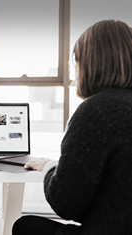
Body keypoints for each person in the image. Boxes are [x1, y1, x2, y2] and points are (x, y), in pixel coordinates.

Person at [12, 20, 132, 235]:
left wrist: (50, 167)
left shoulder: (96, 111)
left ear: (88, 64)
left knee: (25, 227)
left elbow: (66, 204)